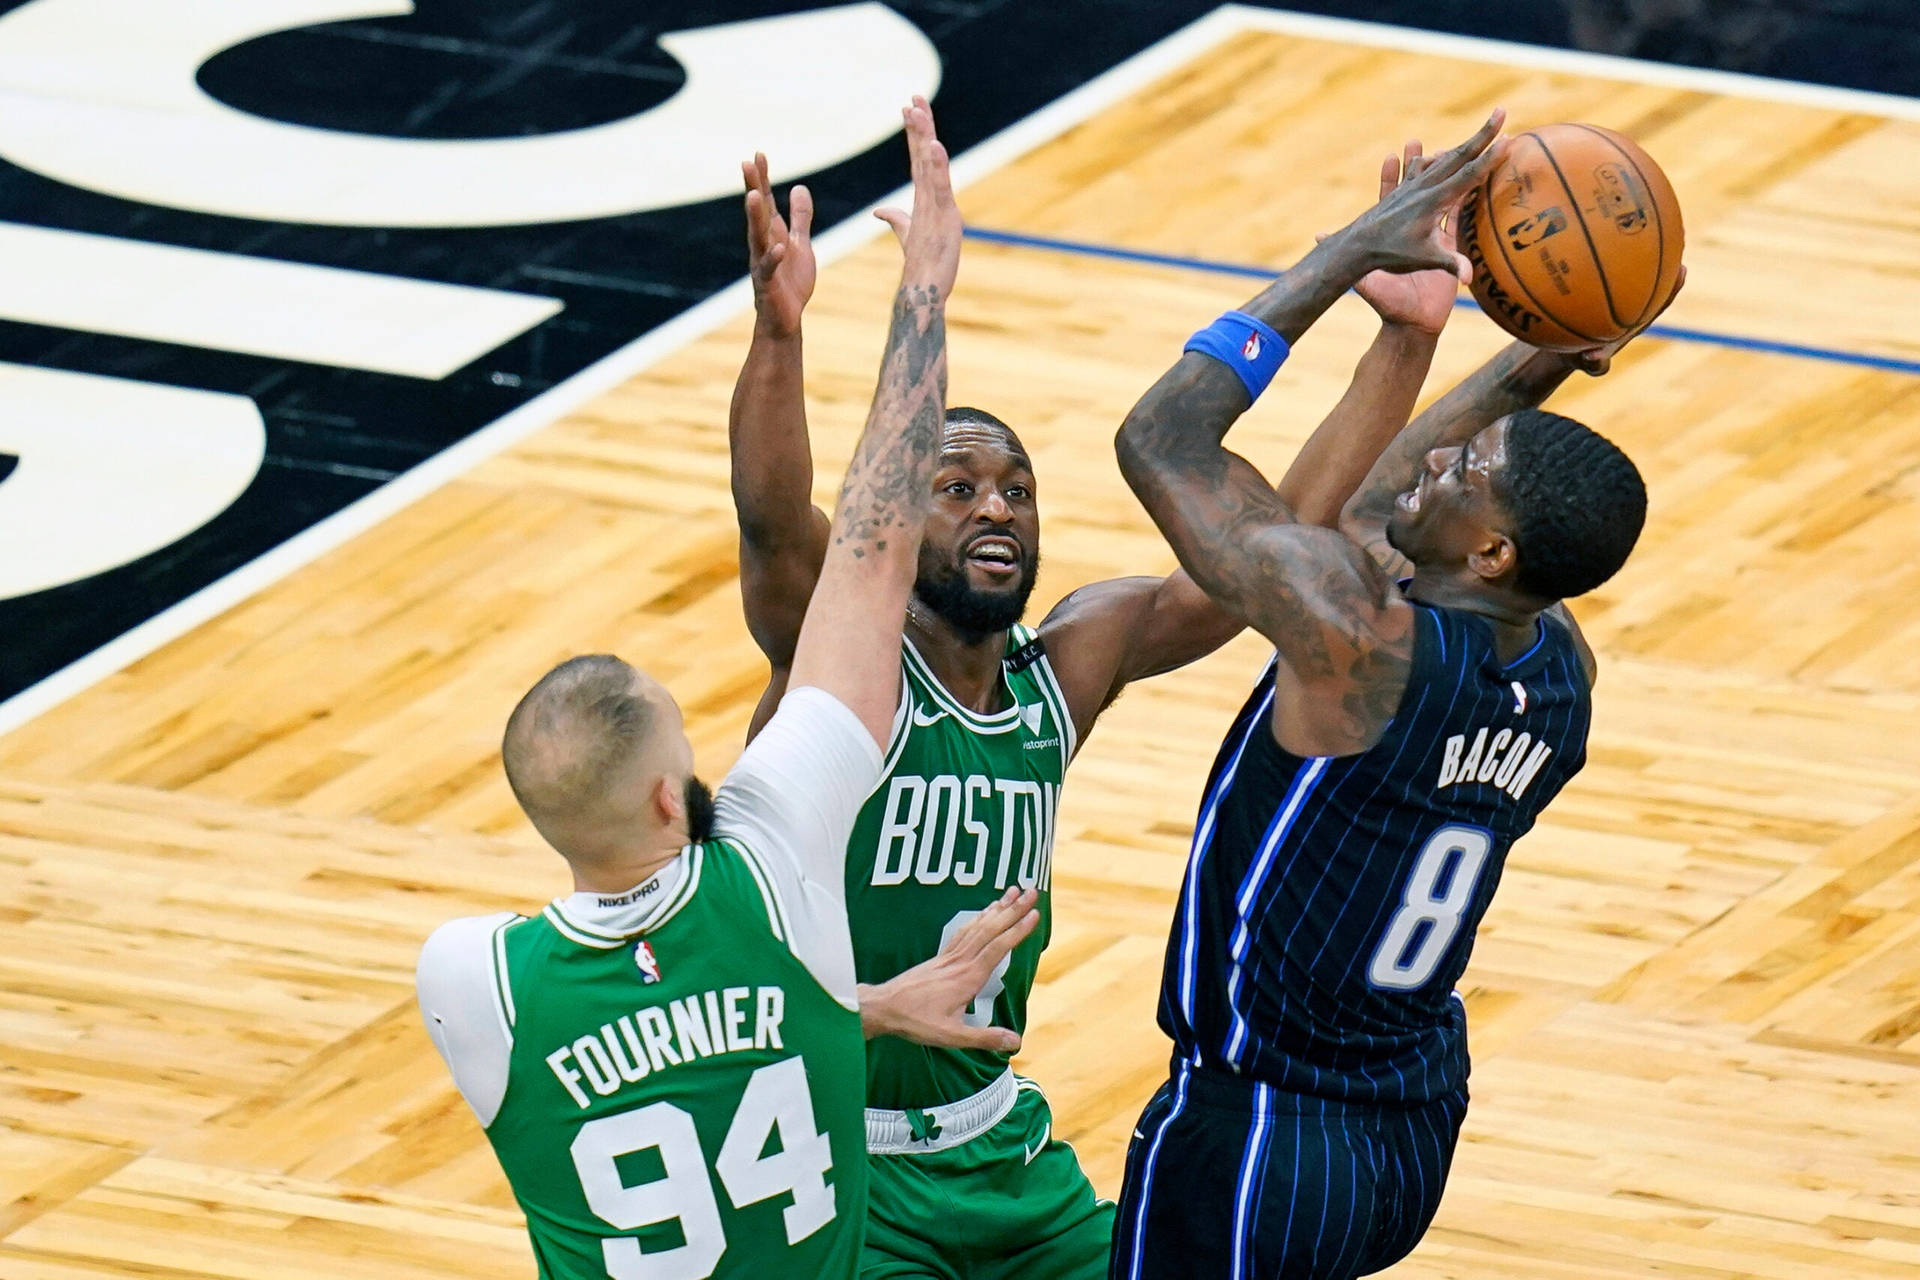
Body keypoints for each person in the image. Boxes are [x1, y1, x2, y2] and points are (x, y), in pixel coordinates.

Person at [729, 130, 1475, 1280]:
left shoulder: (1064, 665)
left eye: (1017, 490)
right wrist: (779, 339)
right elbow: (778, 521)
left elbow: (1264, 552)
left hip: (1005, 1152)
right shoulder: (836, 667)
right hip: (841, 1160)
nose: (997, 509)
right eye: (956, 486)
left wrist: (1400, 343)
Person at [414, 100, 1036, 1280]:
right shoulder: (775, 873)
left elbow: (691, 1048)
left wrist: (858, 1006)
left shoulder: (471, 979)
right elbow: (873, 552)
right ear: (670, 799)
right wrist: (922, 300)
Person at [1108, 113, 1679, 1278]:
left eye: (1467, 474)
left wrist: (1340, 254)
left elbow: (1162, 438)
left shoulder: (1356, 639)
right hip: (1407, 1124)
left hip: (1265, 1127)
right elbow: (1380, 512)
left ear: (1491, 555)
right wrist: (1548, 345)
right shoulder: (1557, 670)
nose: (1441, 459)